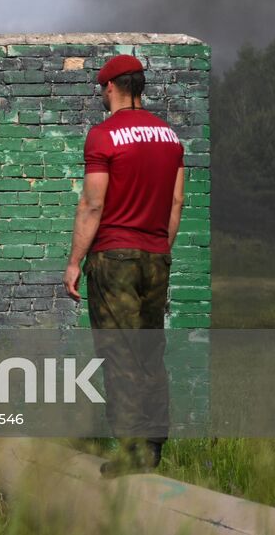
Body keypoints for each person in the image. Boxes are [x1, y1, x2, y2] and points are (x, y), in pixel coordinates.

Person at [61, 54, 186, 476]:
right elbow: (176, 202)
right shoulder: (170, 137)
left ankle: (131, 451)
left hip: (113, 257)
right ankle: (152, 447)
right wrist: (158, 248)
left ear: (110, 87)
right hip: (155, 256)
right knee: (151, 352)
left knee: (120, 354)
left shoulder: (104, 136)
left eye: (102, 89)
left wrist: (75, 261)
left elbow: (93, 203)